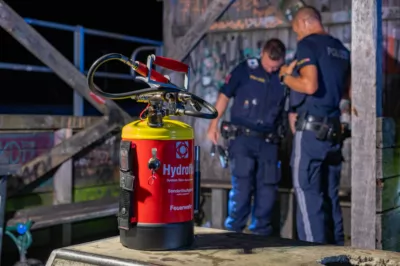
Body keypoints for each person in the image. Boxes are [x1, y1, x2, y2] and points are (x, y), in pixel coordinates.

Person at [279, 6, 351, 245]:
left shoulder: (308, 44)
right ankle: (338, 249)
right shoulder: (340, 49)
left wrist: (285, 78)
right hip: (333, 132)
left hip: (311, 133)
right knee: (330, 196)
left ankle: (314, 254)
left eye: (297, 30)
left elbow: (309, 86)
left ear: (306, 22)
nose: (298, 35)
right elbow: (348, 92)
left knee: (307, 192)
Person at [207, 39, 286, 236]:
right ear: (262, 54)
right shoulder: (245, 69)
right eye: (268, 65)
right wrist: (213, 124)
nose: (270, 69)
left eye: (275, 66)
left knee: (267, 192)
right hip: (242, 139)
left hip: (269, 142)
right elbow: (224, 96)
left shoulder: (285, 75)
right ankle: (233, 233)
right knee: (241, 190)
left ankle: (261, 235)